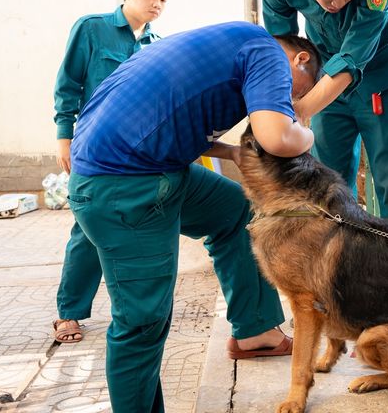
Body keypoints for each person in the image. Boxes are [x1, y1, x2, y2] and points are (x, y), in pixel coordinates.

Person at [67, 22, 321, 412]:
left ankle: (255, 331)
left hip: (151, 168)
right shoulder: (268, 51)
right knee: (142, 320)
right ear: (300, 59)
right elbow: (277, 137)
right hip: (123, 186)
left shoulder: (230, 43)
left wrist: (231, 153)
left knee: (233, 210)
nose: (287, 101)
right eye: (295, 93)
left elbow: (174, 117)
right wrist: (305, 131)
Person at [262, 0, 388, 239]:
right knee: (328, 176)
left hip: (378, 79)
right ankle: (337, 261)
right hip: (323, 82)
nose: (337, 3)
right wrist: (284, 103)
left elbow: (352, 59)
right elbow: (283, 51)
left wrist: (303, 109)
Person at [52, 0, 174, 343]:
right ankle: (69, 313)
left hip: (137, 155)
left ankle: (140, 309)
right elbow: (68, 83)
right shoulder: (92, 29)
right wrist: (63, 136)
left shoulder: (156, 45)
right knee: (87, 227)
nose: (158, 4)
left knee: (136, 224)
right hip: (92, 147)